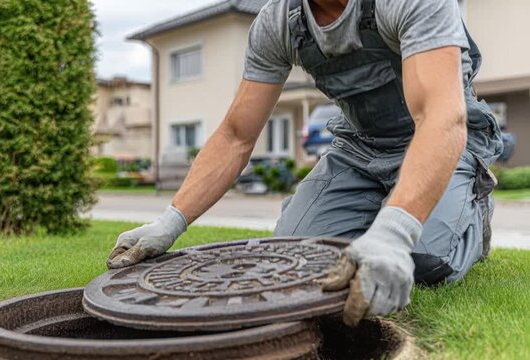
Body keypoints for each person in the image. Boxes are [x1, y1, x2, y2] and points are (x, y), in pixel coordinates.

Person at [106, 0, 503, 327]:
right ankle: (382, 212)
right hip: (359, 151)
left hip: (442, 141)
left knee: (423, 260)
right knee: (296, 257)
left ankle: (473, 213)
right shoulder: (279, 22)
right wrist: (170, 221)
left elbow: (440, 118)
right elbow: (236, 136)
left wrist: (395, 232)